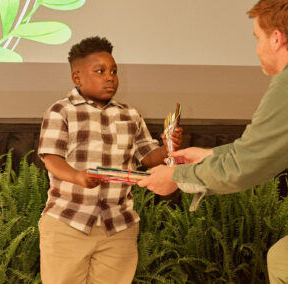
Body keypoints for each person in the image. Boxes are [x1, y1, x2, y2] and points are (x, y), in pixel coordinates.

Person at [138, 0, 288, 283]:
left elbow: (247, 165)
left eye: (258, 38)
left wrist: (177, 177)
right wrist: (209, 155)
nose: (256, 49)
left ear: (276, 38)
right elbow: (263, 146)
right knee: (287, 259)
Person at [37, 36, 182, 284]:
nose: (110, 77)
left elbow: (147, 156)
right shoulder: (62, 111)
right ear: (77, 78)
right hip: (68, 222)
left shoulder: (130, 114)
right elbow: (51, 158)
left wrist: (168, 148)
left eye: (114, 71)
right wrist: (77, 177)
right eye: (100, 71)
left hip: (118, 225)